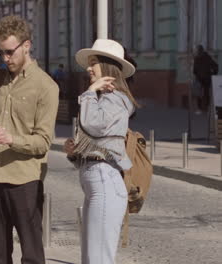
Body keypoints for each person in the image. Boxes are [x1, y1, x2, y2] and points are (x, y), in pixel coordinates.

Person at [0, 15, 59, 264]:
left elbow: (43, 142)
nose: (6, 58)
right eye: (1, 53)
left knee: (31, 255)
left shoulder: (46, 86)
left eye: (10, 52)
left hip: (24, 181)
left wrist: (11, 138)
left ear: (26, 46)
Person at [63, 39, 139, 264]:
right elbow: (96, 140)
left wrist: (88, 93)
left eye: (93, 63)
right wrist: (74, 152)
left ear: (107, 66)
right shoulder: (102, 99)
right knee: (91, 257)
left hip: (105, 181)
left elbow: (93, 124)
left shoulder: (118, 99)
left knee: (98, 259)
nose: (88, 68)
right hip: (96, 180)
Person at [193, 44, 218, 112]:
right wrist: (213, 73)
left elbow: (215, 66)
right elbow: (194, 69)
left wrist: (213, 74)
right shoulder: (200, 58)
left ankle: (203, 108)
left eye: (197, 50)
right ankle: (203, 108)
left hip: (204, 78)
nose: (197, 52)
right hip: (203, 78)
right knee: (202, 93)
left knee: (202, 93)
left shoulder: (203, 58)